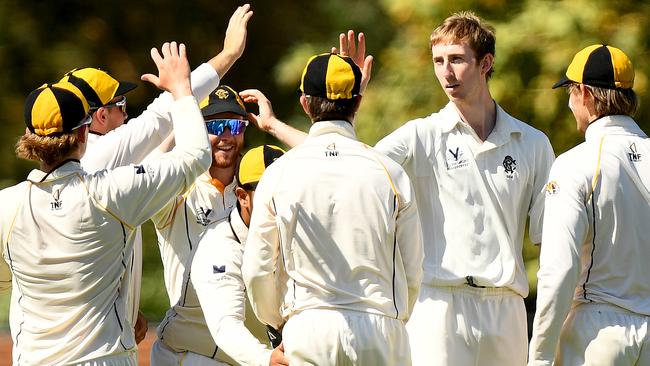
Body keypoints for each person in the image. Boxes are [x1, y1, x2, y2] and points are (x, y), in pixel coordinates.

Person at [248, 12, 555, 366]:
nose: (446, 72)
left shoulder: (532, 143)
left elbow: (549, 243)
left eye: (456, 59)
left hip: (508, 307)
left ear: (486, 63)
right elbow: (345, 161)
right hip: (438, 304)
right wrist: (338, 100)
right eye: (438, 61)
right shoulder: (420, 135)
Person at [0, 41, 211, 365]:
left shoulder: (6, 205)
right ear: (84, 133)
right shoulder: (112, 192)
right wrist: (182, 89)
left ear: (30, 137)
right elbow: (196, 156)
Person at [56, 4, 253, 344]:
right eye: (121, 106)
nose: (127, 116)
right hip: (93, 346)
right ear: (100, 117)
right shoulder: (101, 154)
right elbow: (162, 117)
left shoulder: (44, 184)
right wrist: (227, 55)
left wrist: (125, 305)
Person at [242, 53, 424, 366]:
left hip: (308, 328)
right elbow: (412, 266)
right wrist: (393, 315)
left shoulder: (279, 173)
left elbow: (257, 268)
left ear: (305, 104)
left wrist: (280, 320)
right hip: (379, 327)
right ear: (357, 103)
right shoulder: (389, 172)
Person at [528, 44, 650, 366]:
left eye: (569, 92)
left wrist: (539, 357)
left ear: (583, 93)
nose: (569, 103)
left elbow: (559, 269)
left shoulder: (574, 163)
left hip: (598, 331)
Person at [149, 84, 262, 365]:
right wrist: (183, 124)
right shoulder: (178, 189)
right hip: (190, 351)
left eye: (235, 126)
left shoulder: (258, 188)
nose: (226, 136)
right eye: (215, 125)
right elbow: (147, 174)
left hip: (246, 349)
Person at [192, 144, 288, 366]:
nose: (281, 203)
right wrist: (265, 359)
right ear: (243, 197)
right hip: (198, 356)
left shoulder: (293, 229)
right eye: (270, 194)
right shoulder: (218, 246)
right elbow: (226, 325)